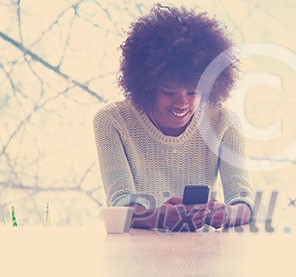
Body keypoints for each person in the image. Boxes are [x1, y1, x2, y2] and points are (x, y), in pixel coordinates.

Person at [93, 4, 254, 231]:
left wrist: (226, 214)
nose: (182, 103)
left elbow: (243, 199)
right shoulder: (112, 120)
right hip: (136, 256)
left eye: (192, 92)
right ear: (147, 86)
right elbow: (119, 202)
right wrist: (157, 217)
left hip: (206, 255)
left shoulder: (224, 123)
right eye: (169, 92)